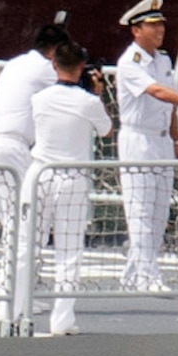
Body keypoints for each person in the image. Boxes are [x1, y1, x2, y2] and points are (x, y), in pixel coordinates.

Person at [114, 0, 178, 292]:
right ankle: (148, 276)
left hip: (160, 140)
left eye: (161, 25)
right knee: (140, 210)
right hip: (138, 139)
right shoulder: (130, 62)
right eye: (152, 25)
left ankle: (133, 273)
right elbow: (157, 92)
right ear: (136, 30)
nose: (160, 30)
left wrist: (177, 139)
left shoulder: (163, 60)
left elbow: (169, 104)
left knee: (159, 211)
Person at [0, 21, 71, 323]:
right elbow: (70, 89)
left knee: (16, 224)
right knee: (26, 226)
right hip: (12, 148)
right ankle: (8, 299)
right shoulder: (45, 69)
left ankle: (19, 291)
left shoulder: (16, 64)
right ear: (54, 52)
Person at [23, 40, 112, 336]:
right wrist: (96, 93)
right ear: (81, 67)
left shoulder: (40, 98)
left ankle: (16, 310)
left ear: (54, 65)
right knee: (69, 251)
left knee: (28, 245)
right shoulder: (89, 102)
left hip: (39, 173)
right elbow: (106, 130)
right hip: (72, 177)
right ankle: (62, 320)